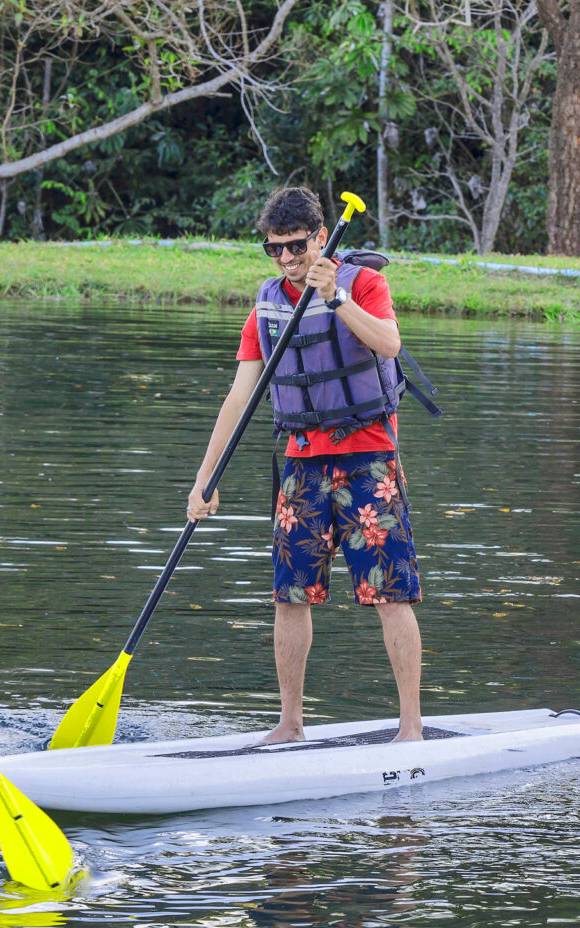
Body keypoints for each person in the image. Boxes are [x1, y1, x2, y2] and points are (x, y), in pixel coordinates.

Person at [187, 186, 425, 745]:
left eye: (296, 247)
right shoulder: (268, 304)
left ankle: (411, 728)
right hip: (302, 466)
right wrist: (205, 479)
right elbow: (238, 397)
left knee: (391, 593)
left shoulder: (363, 283)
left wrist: (337, 298)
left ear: (321, 237)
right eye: (275, 250)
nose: (287, 260)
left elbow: (389, 343)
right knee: (289, 597)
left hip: (368, 458)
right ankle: (290, 724)